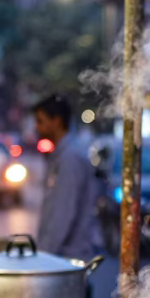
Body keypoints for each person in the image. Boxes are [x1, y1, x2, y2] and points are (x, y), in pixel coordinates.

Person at [33, 94, 100, 260]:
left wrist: (44, 257)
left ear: (56, 121)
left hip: (67, 258)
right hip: (61, 257)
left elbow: (63, 213)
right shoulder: (59, 156)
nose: (37, 128)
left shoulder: (70, 158)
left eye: (41, 122)